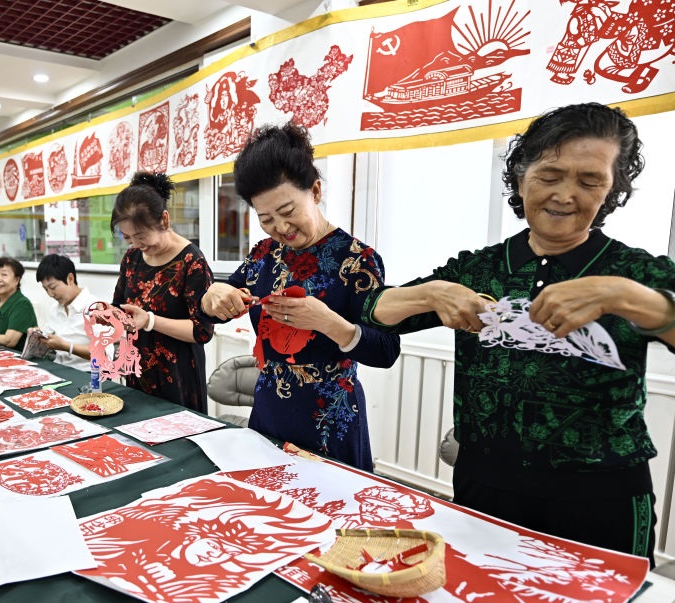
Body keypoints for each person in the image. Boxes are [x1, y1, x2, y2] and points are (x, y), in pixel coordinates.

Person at [360, 102, 675, 563]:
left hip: (601, 497)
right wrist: (433, 292)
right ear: (521, 177)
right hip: (485, 486)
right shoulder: (479, 267)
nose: (566, 195)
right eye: (550, 176)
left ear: (611, 191)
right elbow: (375, 312)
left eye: (590, 181)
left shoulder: (631, 270)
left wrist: (627, 297)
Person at [201, 123, 400, 471]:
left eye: (289, 211)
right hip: (269, 413)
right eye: (266, 218)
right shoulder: (264, 254)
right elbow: (214, 309)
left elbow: (385, 350)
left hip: (330, 420)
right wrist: (212, 294)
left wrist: (328, 323)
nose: (280, 227)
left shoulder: (356, 260)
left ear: (316, 191)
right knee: (268, 511)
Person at [111, 172, 214, 413]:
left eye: (141, 236)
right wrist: (109, 317)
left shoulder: (192, 261)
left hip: (178, 376)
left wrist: (150, 321)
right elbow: (118, 306)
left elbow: (202, 331)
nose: (136, 245)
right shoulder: (132, 258)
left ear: (164, 221)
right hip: (138, 371)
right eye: (127, 237)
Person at [31, 253, 104, 371]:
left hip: (88, 373)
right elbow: (50, 339)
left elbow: (104, 354)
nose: (50, 294)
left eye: (53, 287)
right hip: (59, 369)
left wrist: (67, 347)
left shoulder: (95, 307)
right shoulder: (55, 308)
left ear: (70, 278)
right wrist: (37, 336)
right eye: (46, 289)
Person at [0, 255, 37, 348]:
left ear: (16, 280)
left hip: (20, 360)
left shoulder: (22, 304)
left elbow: (9, 340)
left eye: (4, 275)